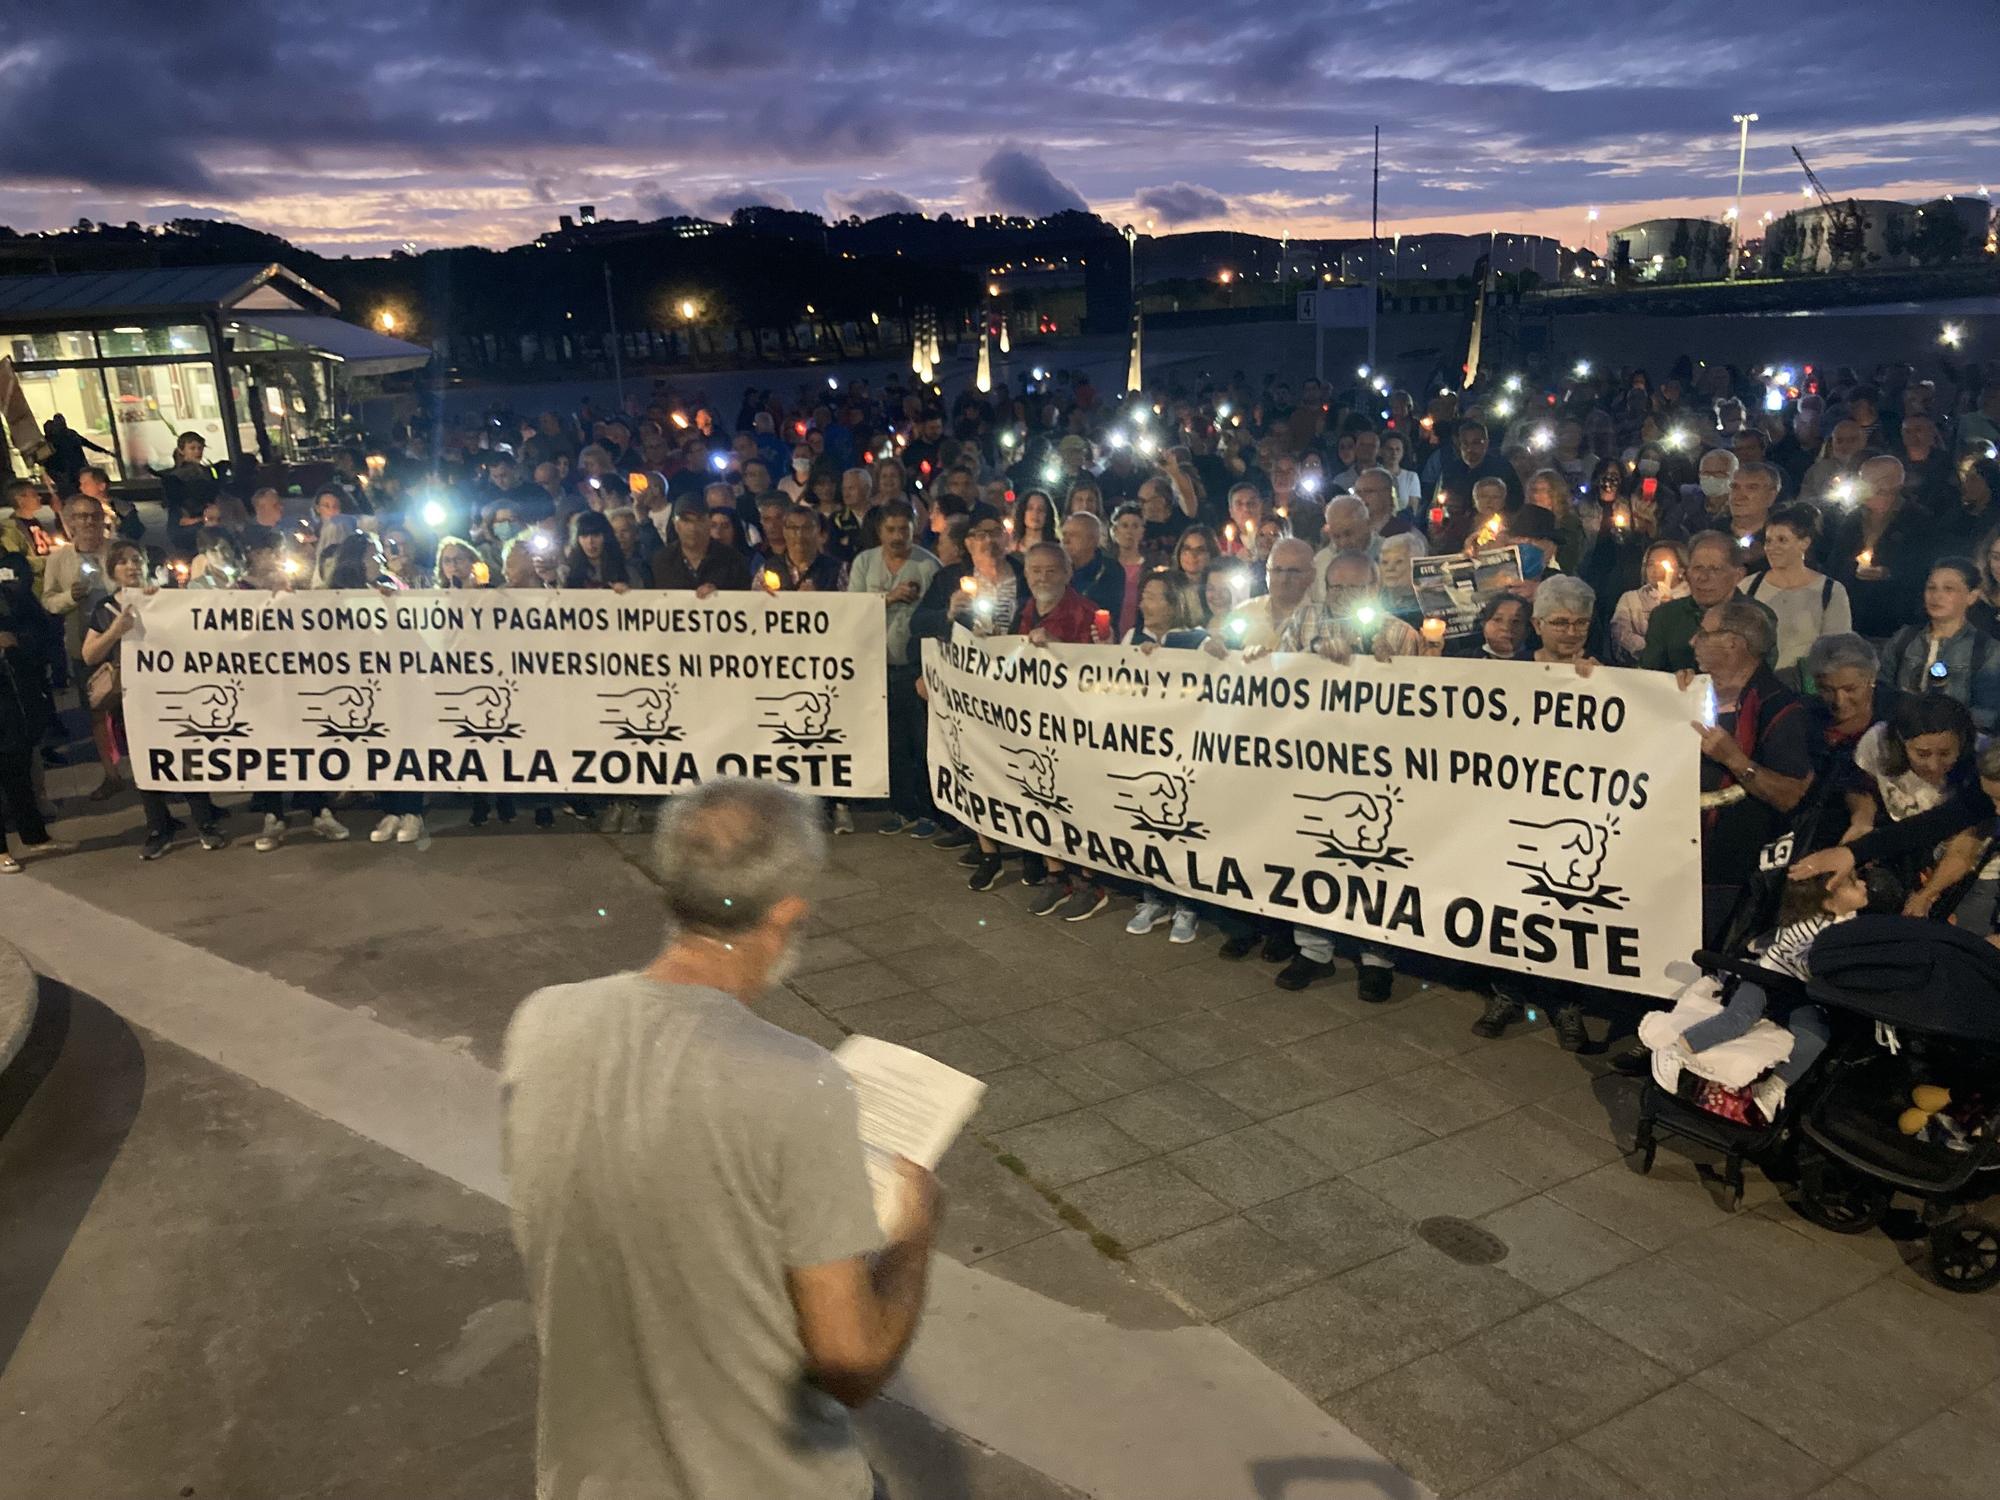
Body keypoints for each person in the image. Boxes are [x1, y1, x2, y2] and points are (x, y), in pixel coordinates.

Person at [501, 780, 939, 1500]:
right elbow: (852, 1364)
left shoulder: (541, 1023)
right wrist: (915, 1236)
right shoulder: (801, 1084)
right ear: (789, 912)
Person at [81, 541, 227, 859]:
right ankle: (159, 826)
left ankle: (205, 822)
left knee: (188, 756)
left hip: (174, 691)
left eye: (137, 560)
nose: (131, 567)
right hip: (134, 700)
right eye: (123, 562)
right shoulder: (106, 609)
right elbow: (89, 654)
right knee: (147, 762)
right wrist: (116, 630)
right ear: (112, 571)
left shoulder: (167, 599)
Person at [1691, 598, 1816, 942]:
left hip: (1735, 871)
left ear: (1733, 642)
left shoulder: (1780, 708)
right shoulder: (1690, 693)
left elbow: (1792, 795)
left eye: (1703, 633)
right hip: (1685, 859)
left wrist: (1734, 759)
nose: (1693, 641)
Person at [847, 500, 939, 837]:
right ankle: (902, 808)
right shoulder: (865, 563)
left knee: (922, 742)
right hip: (876, 667)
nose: (898, 536)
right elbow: (851, 608)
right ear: (879, 531)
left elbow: (937, 618)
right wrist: (886, 598)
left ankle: (929, 811)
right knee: (892, 743)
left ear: (915, 528)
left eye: (904, 528)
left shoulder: (928, 566)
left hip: (913, 668)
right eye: (891, 529)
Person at [42, 492, 117, 798]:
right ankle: (112, 774)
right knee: (97, 712)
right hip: (84, 646)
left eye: (94, 516)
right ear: (70, 523)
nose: (89, 522)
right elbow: (48, 600)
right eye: (81, 517)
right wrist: (69, 598)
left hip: (125, 643)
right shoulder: (59, 559)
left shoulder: (119, 551)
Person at [1876, 558, 2000, 732]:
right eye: (1931, 588)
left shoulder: (1986, 650)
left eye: (1948, 589)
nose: (1937, 596)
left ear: (1971, 596)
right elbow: (1882, 690)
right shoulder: (1904, 639)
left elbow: (1986, 712)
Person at [1739, 502, 1850, 683]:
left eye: (1782, 540)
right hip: (1759, 684)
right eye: (1768, 541)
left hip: (1807, 687)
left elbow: (1837, 649)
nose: (1772, 547)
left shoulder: (1830, 591)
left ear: (1804, 543)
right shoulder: (1748, 587)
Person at [1639, 531, 1774, 672]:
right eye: (1698, 568)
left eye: (1715, 569)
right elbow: (1650, 674)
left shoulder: (1758, 617)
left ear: (1738, 575)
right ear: (1686, 573)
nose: (1703, 577)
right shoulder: (1665, 616)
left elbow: (1759, 675)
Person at [652, 495, 753, 593]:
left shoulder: (734, 561)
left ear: (709, 523)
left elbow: (746, 603)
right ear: (676, 525)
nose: (693, 527)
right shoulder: (662, 561)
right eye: (686, 520)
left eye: (699, 520)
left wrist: (721, 596)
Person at [1446, 592, 1533, 660]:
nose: (1506, 628)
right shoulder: (1464, 659)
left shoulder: (1537, 661)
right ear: (1484, 624)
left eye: (1516, 621)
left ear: (1527, 630)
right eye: (1497, 619)